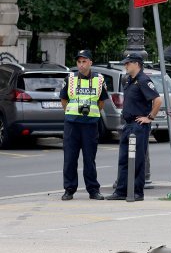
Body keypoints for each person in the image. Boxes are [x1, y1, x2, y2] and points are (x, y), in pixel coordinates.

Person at [106, 53, 161, 201]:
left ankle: (137, 192)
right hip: (128, 124)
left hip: (138, 125)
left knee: (137, 160)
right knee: (124, 159)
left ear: (137, 64)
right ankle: (121, 191)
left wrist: (149, 118)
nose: (125, 66)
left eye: (128, 63)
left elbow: (157, 100)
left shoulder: (143, 80)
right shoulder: (129, 80)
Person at [60, 49, 109, 200]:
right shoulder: (71, 79)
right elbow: (63, 99)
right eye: (79, 62)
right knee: (70, 159)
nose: (81, 65)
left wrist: (92, 113)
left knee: (89, 159)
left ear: (90, 63)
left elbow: (101, 102)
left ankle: (93, 190)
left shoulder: (99, 79)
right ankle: (69, 189)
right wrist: (71, 112)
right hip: (72, 124)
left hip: (90, 125)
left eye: (84, 61)